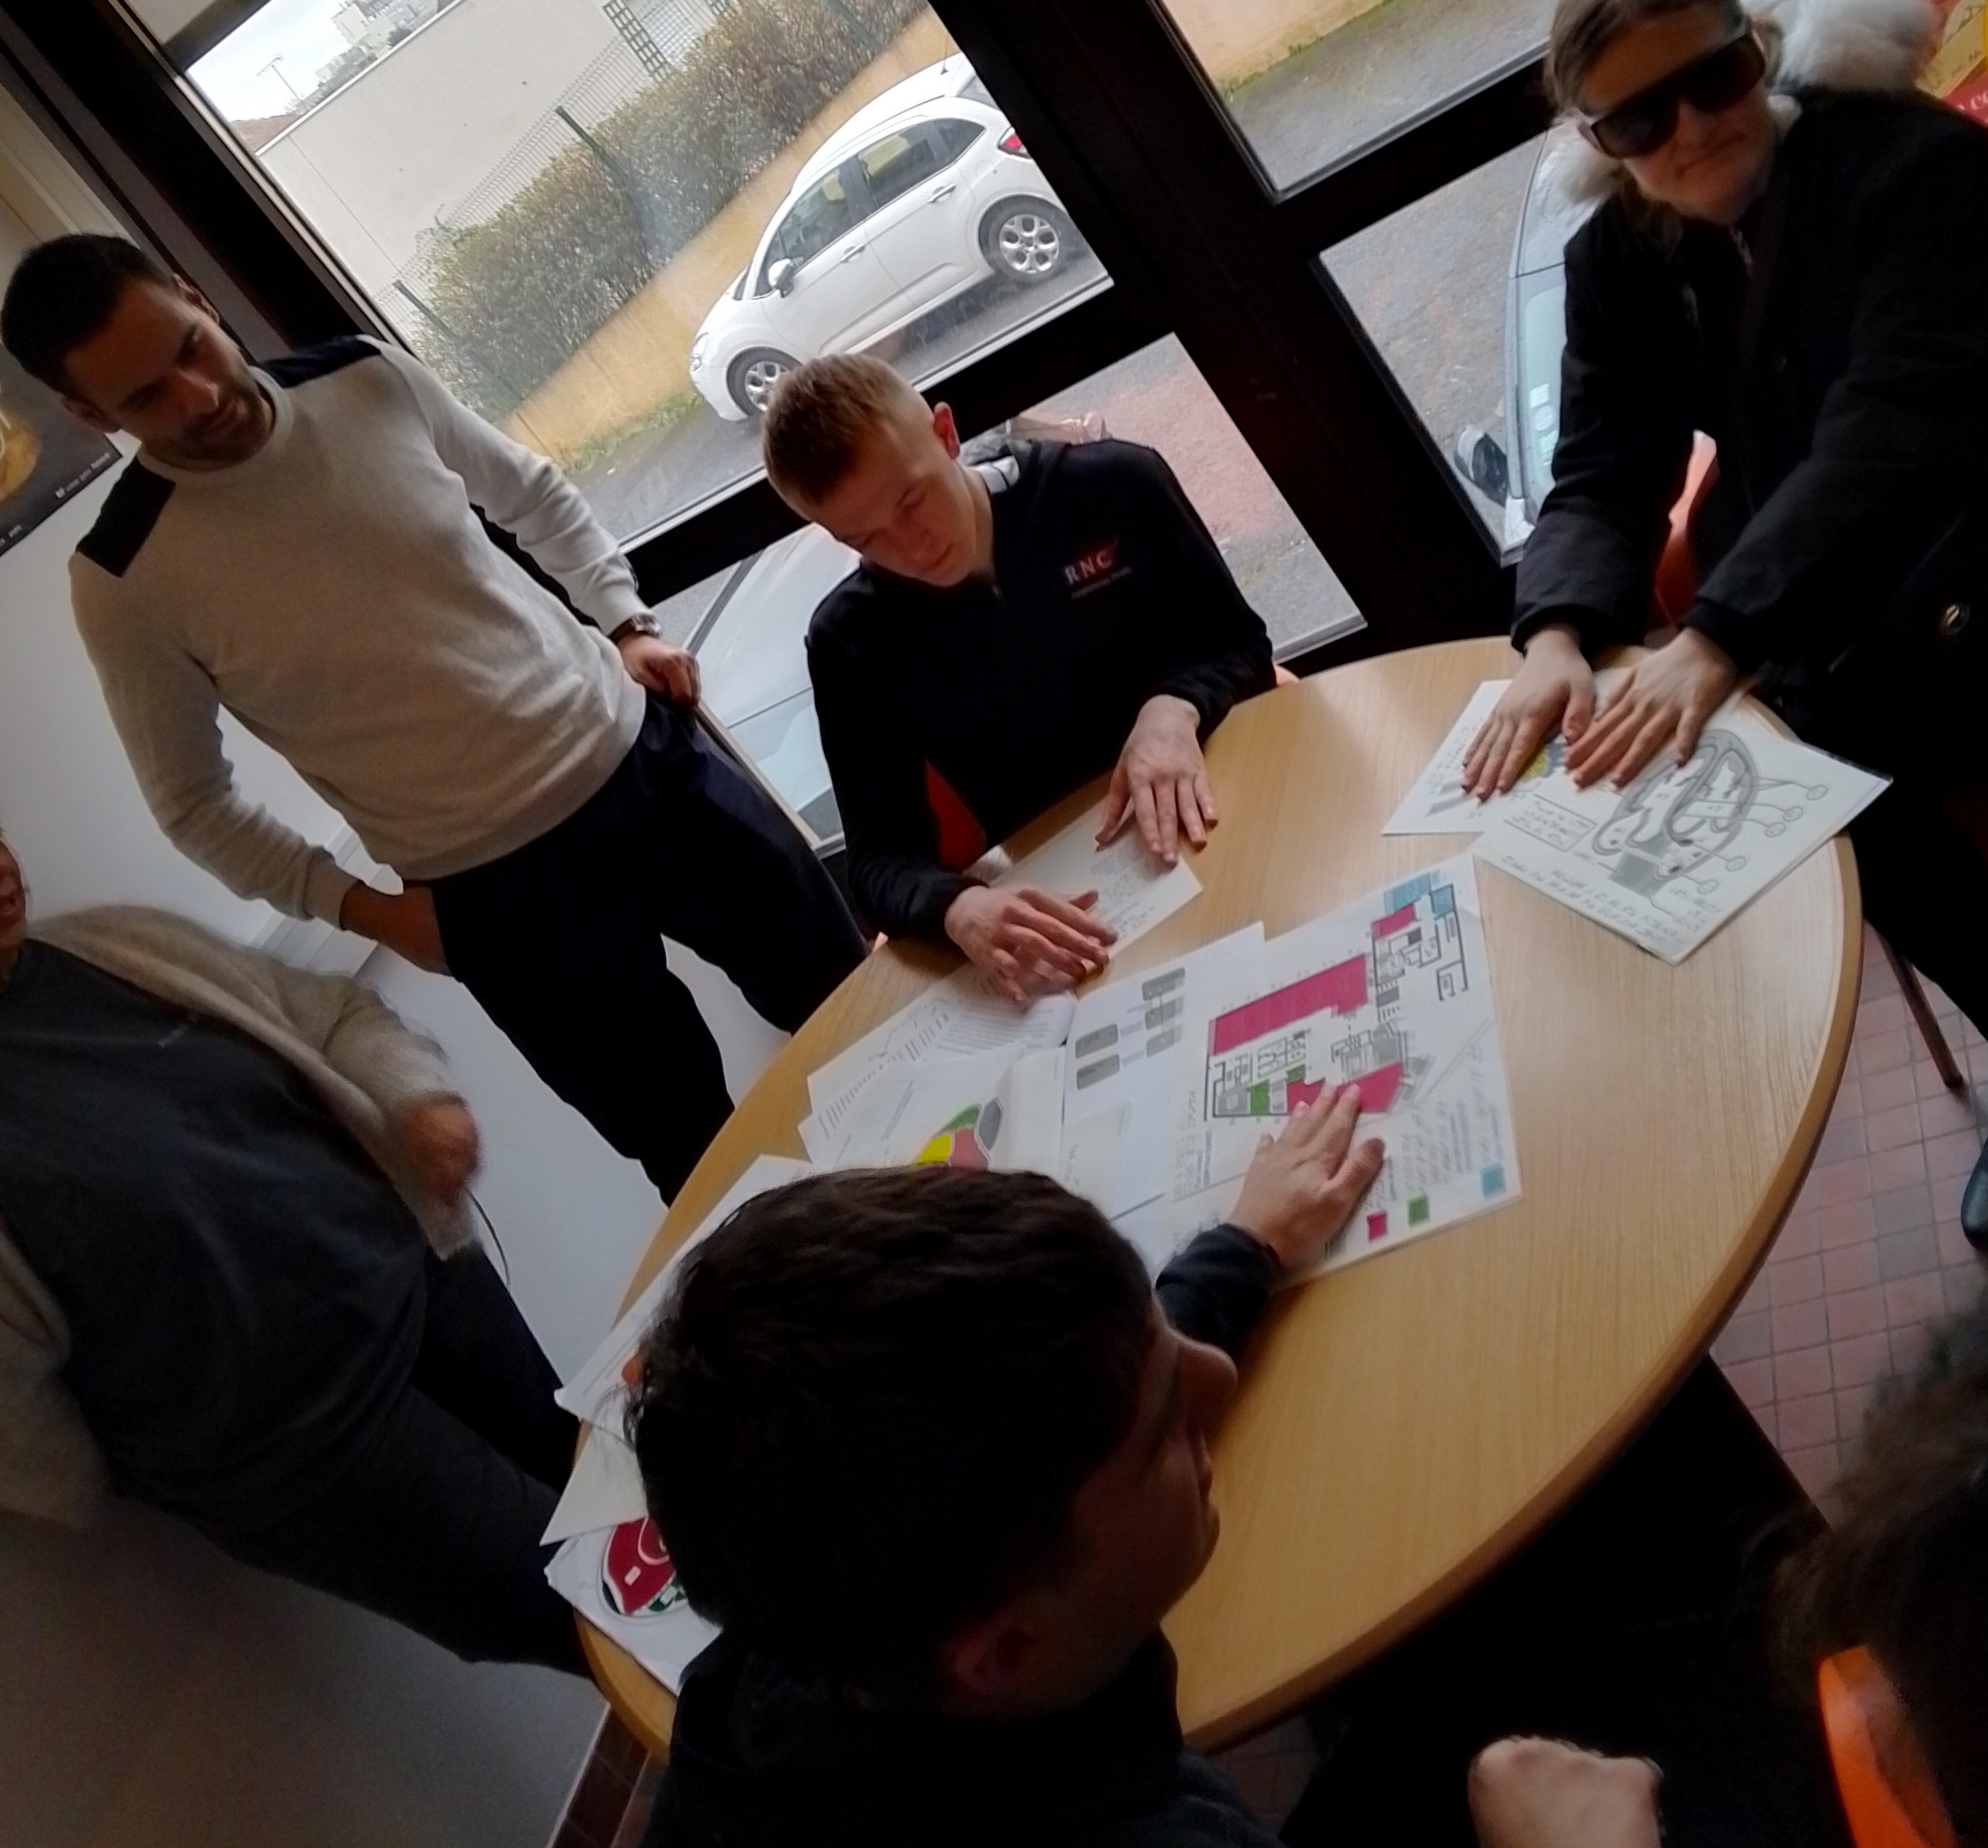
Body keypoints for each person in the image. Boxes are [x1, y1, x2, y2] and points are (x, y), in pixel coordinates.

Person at [0, 235, 866, 1203]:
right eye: (145, 398)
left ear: (195, 296)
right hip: (501, 899)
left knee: (854, 1001)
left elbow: (528, 493)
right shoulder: (123, 578)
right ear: (86, 414)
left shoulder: (364, 380)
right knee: (703, 1159)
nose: (197, 397)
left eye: (189, 348)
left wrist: (624, 621)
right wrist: (369, 914)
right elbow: (194, 806)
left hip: (646, 763)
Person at [1459, 0, 1988, 1240]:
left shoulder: (1905, 167)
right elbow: (1599, 466)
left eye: (1712, 79)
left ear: (1757, 49)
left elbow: (1899, 427)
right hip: (1818, 604)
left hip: (1954, 541)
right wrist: (1552, 634)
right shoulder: (1620, 257)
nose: (1692, 130)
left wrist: (1713, 633)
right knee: (1826, 798)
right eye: (1641, 117)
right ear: (1598, 140)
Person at [628, 1088, 1387, 1845]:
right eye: (1162, 1437)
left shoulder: (802, 1613)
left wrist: (1245, 1245)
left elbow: (1060, 1396)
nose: (1216, 1373)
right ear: (1004, 1653)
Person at [0, 832, 585, 1673]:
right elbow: (36, 1449)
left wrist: (416, 1098)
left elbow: (331, 1013)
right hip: (321, 1461)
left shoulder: (113, 946)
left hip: (424, 1289)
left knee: (635, 1499)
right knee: (585, 1615)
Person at [765, 353, 1275, 1003]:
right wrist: (957, 908)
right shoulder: (851, 640)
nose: (912, 547)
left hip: (1218, 786)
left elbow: (1238, 640)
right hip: (1079, 889)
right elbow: (878, 859)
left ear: (945, 433)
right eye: (867, 540)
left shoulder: (1112, 484)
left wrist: (1174, 705)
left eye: (913, 499)